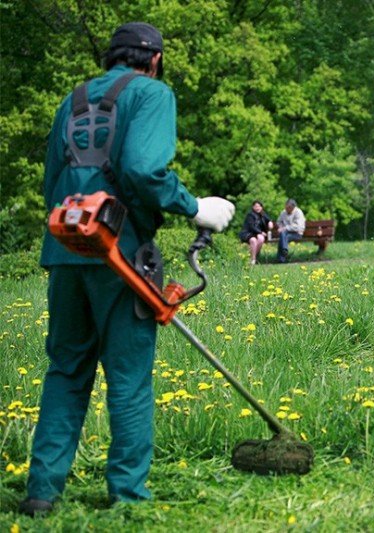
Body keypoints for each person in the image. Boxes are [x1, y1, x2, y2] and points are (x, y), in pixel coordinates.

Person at [19, 22, 235, 516]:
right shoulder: (152, 94)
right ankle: (127, 495)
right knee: (129, 376)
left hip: (65, 247)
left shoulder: (71, 101)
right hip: (120, 254)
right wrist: (193, 206)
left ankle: (42, 491)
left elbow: (53, 182)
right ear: (155, 59)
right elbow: (141, 167)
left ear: (111, 57)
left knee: (66, 370)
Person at [238, 200, 274, 265]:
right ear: (253, 207)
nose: (257, 208)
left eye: (259, 206)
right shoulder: (250, 215)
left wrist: (270, 222)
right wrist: (260, 232)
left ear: (261, 207)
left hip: (257, 233)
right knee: (253, 240)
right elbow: (251, 226)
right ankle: (253, 260)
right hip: (248, 233)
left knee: (261, 239)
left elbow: (269, 219)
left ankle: (250, 257)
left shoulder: (263, 214)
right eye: (256, 206)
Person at [275, 198, 306, 263]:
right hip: (285, 233)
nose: (286, 209)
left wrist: (285, 228)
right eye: (286, 207)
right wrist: (281, 227)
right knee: (283, 235)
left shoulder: (298, 212)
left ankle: (281, 259)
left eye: (288, 208)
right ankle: (284, 250)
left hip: (297, 233)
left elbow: (298, 227)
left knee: (282, 237)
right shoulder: (283, 212)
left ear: (293, 207)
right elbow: (279, 222)